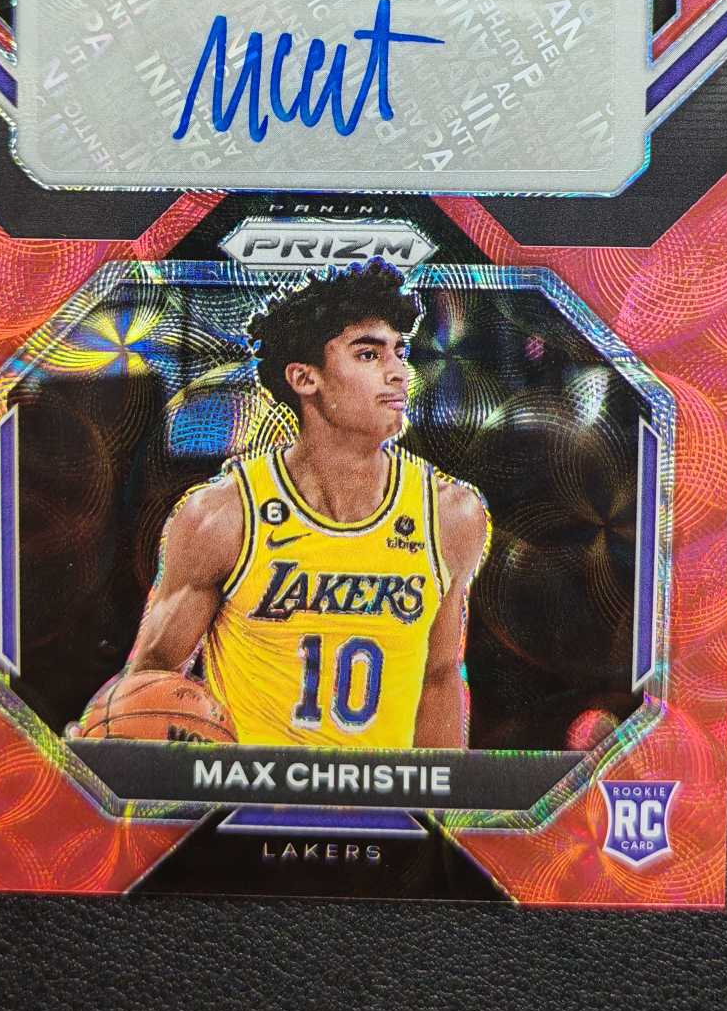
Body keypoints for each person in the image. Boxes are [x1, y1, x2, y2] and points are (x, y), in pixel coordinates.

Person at [90, 260, 489, 749]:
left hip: (379, 793)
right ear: (304, 378)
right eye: (368, 354)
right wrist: (100, 739)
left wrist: (441, 796)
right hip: (253, 792)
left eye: (399, 353)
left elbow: (440, 678)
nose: (397, 373)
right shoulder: (224, 515)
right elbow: (150, 679)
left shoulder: (450, 514)